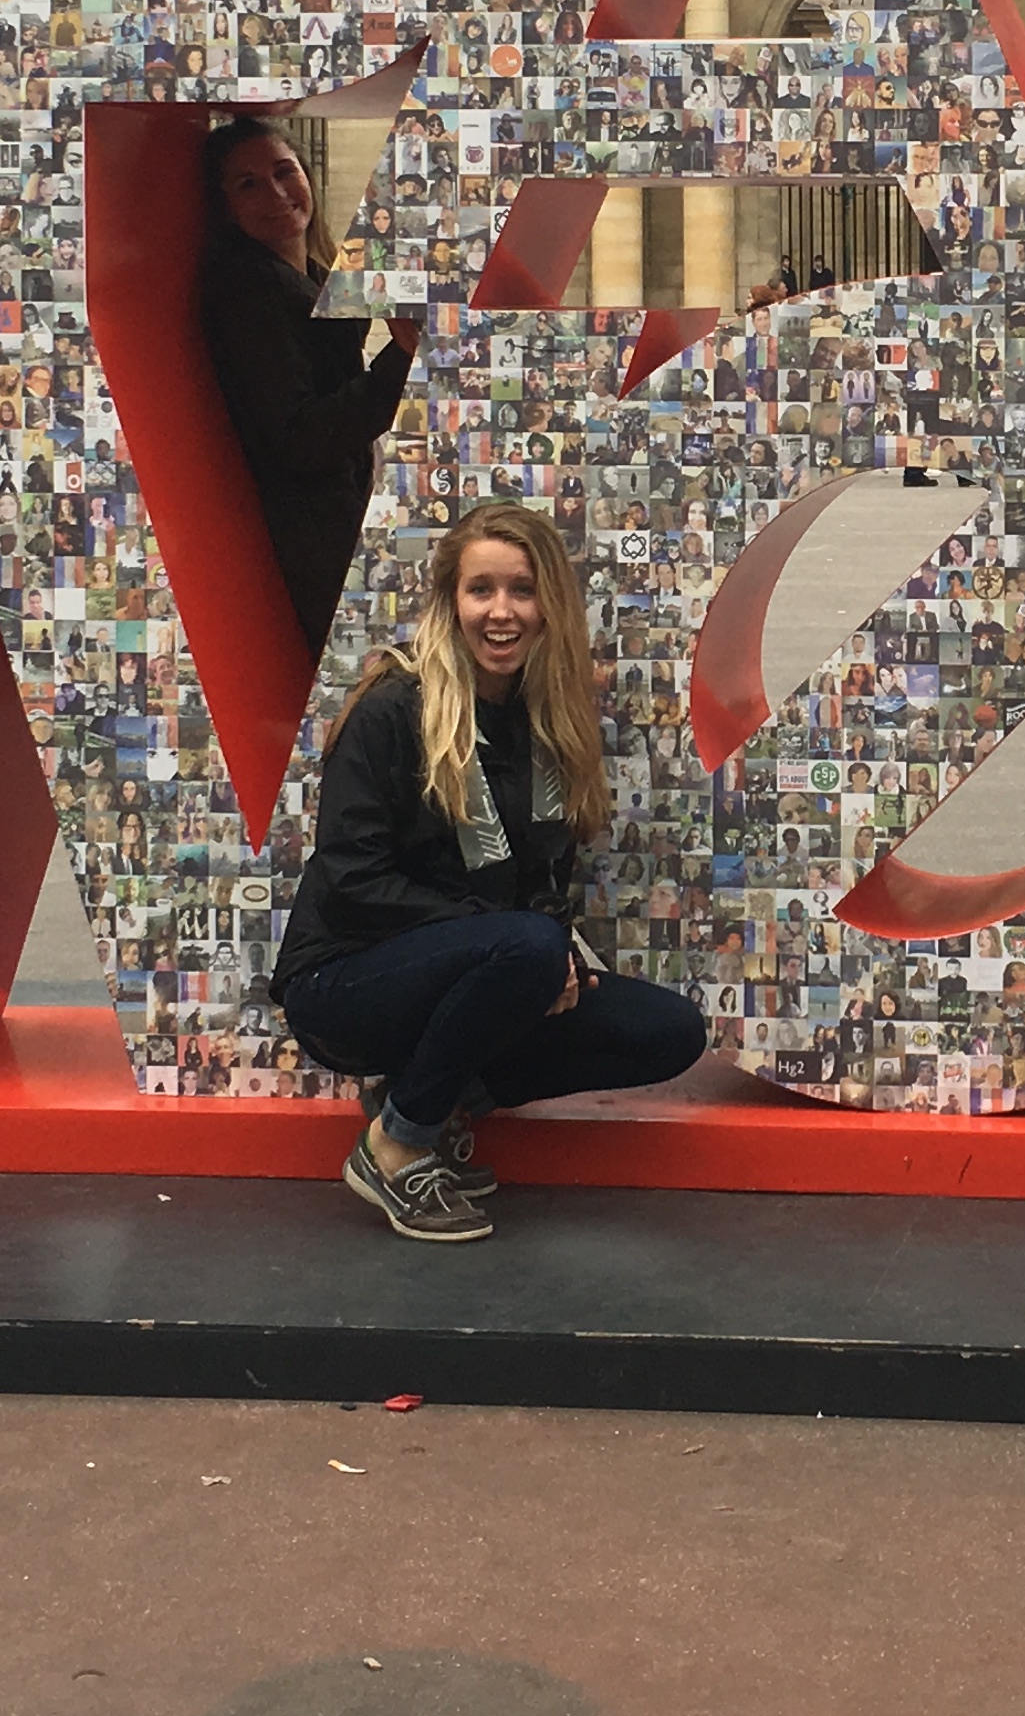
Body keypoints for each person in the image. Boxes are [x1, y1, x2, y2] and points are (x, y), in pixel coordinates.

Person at [268, 501, 704, 1241]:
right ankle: (397, 1144)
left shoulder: (548, 720)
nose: (501, 612)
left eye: (522, 591)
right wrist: (514, 944)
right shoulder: (392, 710)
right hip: (346, 980)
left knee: (668, 1031)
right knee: (529, 946)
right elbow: (352, 880)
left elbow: (540, 883)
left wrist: (555, 963)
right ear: (451, 600)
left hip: (484, 971)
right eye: (481, 590)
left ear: (548, 607)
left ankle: (430, 1097)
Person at [195, 115, 412, 660]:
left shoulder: (308, 269)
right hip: (313, 543)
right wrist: (401, 357)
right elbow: (300, 437)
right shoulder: (252, 291)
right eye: (248, 184)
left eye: (282, 171)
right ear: (225, 205)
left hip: (342, 511)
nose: (275, 193)